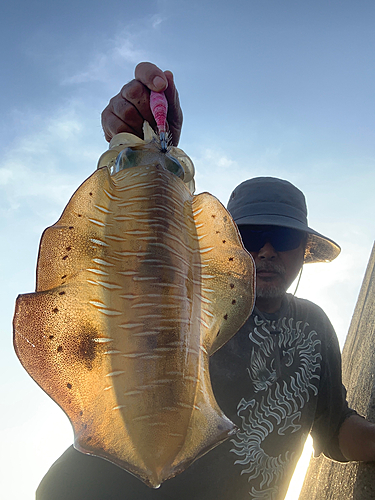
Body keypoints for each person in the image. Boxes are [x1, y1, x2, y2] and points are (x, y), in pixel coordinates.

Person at [36, 63, 375, 500]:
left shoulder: (315, 325)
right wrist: (153, 144)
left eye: (284, 237)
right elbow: (147, 254)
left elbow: (334, 427)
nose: (268, 250)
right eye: (251, 236)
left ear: (304, 250)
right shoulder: (193, 300)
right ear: (225, 243)